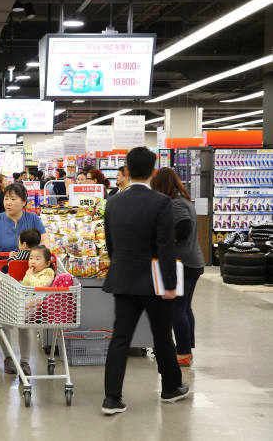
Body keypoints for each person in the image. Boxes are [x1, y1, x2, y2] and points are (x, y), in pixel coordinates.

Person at [102, 147, 188, 416]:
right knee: (162, 335)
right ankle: (171, 388)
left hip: (123, 279)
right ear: (152, 171)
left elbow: (110, 244)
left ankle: (112, 399)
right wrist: (171, 284)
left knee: (120, 337)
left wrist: (120, 267)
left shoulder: (113, 202)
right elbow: (165, 247)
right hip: (153, 281)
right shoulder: (161, 203)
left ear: (126, 171)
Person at [0, 183, 49, 376]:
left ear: (24, 202)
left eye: (13, 199)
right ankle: (9, 358)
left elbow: (45, 241)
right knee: (5, 320)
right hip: (3, 278)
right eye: (6, 198)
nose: (8, 203)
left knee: (25, 321)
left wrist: (38, 257)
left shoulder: (33, 218)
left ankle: (25, 361)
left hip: (29, 279)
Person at [151, 168, 204, 367]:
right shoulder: (184, 200)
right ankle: (186, 348)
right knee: (184, 308)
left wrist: (168, 239)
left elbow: (184, 226)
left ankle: (182, 352)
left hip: (183, 263)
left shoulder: (174, 203)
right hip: (193, 261)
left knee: (177, 310)